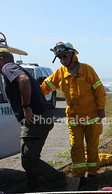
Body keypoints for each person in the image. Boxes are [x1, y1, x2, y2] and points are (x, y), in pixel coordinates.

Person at [0, 48, 80, 191]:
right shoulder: (16, 67)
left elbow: (23, 81)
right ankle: (33, 185)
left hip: (36, 118)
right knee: (31, 156)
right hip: (43, 116)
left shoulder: (7, 67)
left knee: (29, 160)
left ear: (1, 59)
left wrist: (26, 107)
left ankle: (67, 182)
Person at [41, 42, 106, 184]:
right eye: (60, 57)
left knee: (92, 146)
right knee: (76, 146)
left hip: (92, 118)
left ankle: (92, 173)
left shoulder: (87, 70)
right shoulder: (60, 73)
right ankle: (78, 175)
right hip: (73, 119)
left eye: (64, 56)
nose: (62, 59)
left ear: (72, 54)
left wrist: (101, 108)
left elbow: (99, 90)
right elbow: (46, 86)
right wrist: (32, 97)